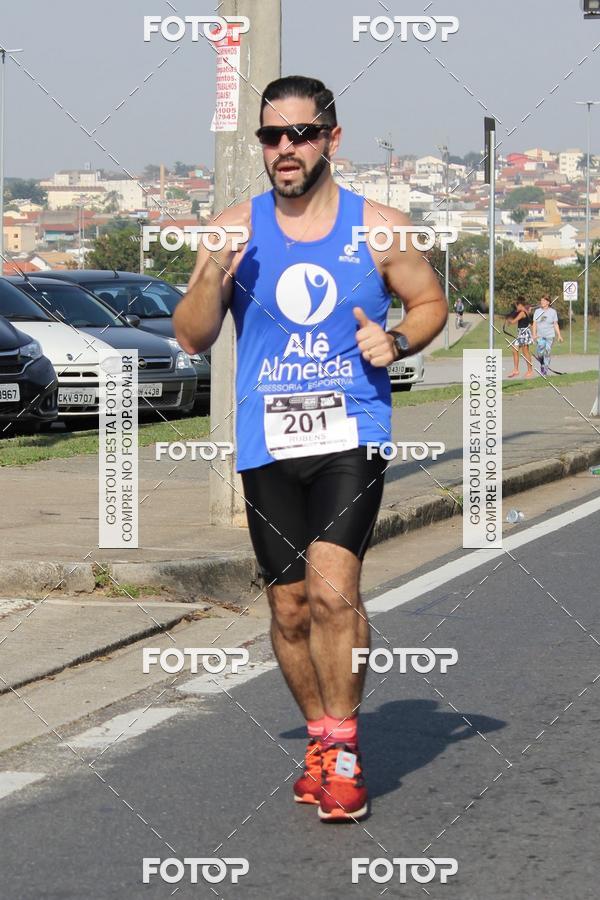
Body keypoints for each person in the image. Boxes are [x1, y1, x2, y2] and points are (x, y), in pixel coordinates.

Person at [173, 75, 447, 822]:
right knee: (290, 607)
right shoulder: (234, 229)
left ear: (332, 138)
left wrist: (393, 340)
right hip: (268, 440)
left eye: (299, 134)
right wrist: (208, 276)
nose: (284, 149)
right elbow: (193, 334)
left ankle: (346, 750)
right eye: (271, 136)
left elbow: (431, 304)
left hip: (351, 432)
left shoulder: (378, 228)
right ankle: (322, 741)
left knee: (332, 592)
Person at [532, 295, 563, 375]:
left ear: (548, 302)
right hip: (540, 336)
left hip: (550, 335)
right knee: (540, 351)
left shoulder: (553, 312)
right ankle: (542, 362)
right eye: (541, 300)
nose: (542, 302)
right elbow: (534, 323)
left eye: (544, 301)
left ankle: (545, 367)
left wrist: (559, 335)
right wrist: (534, 334)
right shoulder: (537, 311)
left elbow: (555, 324)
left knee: (547, 352)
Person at [506, 296, 534, 378]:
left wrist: (508, 319)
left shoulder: (522, 313)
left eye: (517, 306)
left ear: (520, 305)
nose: (516, 308)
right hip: (521, 333)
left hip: (524, 333)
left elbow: (514, 321)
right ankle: (516, 370)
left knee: (525, 352)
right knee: (514, 349)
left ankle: (530, 370)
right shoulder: (524, 311)